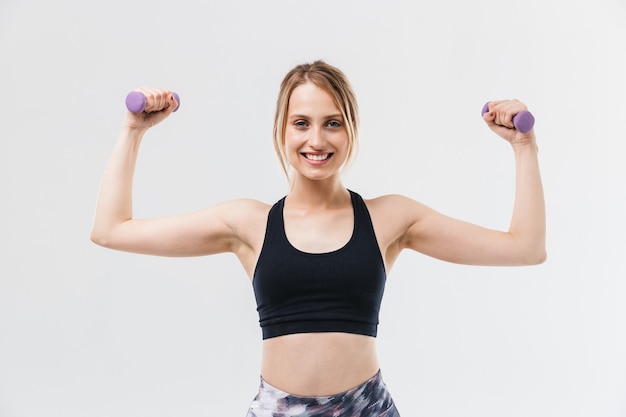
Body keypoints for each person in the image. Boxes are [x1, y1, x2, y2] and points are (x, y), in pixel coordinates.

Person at [90, 60, 546, 417]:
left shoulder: (390, 218)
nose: (316, 139)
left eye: (332, 122)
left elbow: (524, 248)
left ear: (351, 129)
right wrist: (132, 132)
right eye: (301, 122)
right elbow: (111, 230)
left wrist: (524, 149)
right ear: (281, 129)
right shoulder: (246, 223)